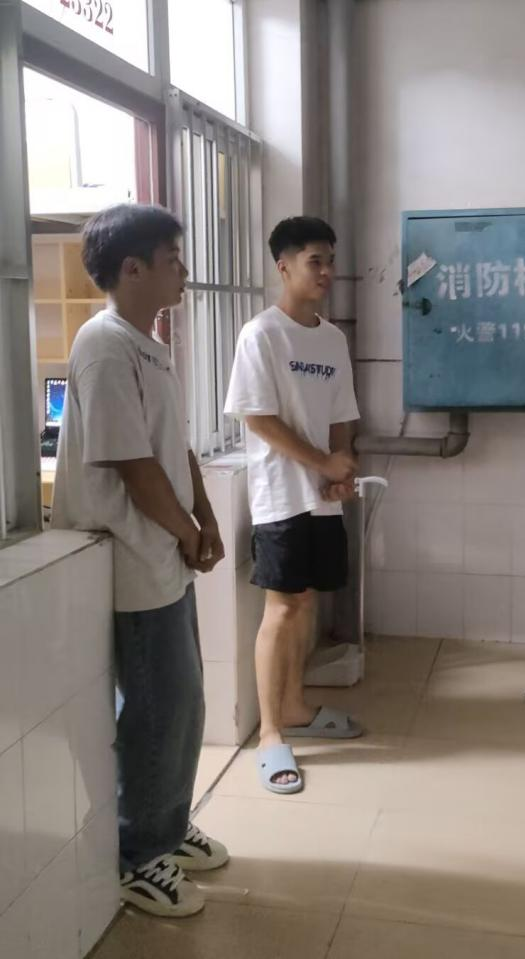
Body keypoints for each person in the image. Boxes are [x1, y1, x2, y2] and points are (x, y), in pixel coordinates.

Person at [52, 204, 228, 918]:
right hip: (134, 558)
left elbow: (173, 447)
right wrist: (186, 531)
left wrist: (205, 517)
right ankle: (137, 854)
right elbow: (131, 463)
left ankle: (168, 824)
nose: (183, 272)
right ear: (132, 269)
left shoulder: (150, 345)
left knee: (185, 703)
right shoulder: (103, 344)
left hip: (164, 553)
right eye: (172, 260)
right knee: (158, 709)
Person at [224, 216, 362, 796]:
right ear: (283, 266)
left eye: (330, 260)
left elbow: (342, 415)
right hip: (280, 496)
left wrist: (341, 465)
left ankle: (297, 707)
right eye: (314, 261)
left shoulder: (331, 339)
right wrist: (321, 464)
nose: (326, 271)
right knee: (281, 609)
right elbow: (258, 418)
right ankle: (270, 734)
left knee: (306, 603)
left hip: (322, 497)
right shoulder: (262, 334)